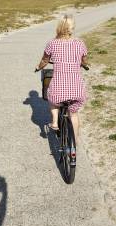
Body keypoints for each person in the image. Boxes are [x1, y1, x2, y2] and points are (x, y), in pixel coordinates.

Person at [35, 15, 88, 144]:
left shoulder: (52, 43)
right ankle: (74, 144)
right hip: (77, 91)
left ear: (59, 28)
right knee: (73, 114)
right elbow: (84, 60)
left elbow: (45, 60)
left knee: (52, 99)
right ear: (71, 29)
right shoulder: (80, 43)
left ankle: (54, 121)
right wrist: (85, 64)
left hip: (59, 91)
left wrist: (38, 67)